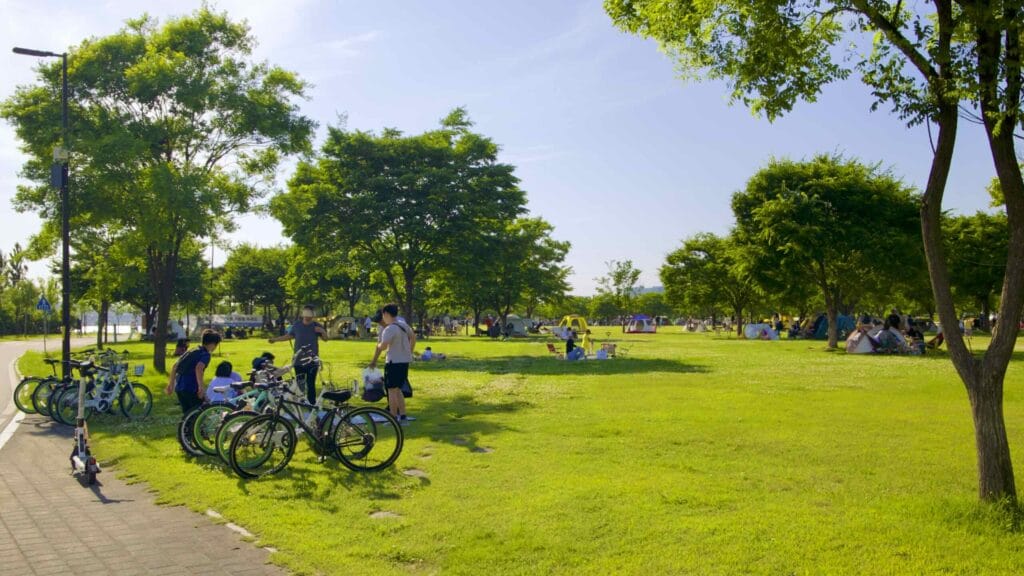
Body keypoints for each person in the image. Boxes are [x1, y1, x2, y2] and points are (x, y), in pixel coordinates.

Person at [268, 305, 327, 404]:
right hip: (298, 360)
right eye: (306, 313)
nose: (308, 316)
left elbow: (325, 339)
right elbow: (288, 336)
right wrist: (275, 340)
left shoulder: (317, 326)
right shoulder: (297, 325)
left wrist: (323, 331)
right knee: (300, 384)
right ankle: (301, 402)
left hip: (312, 360)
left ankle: (312, 404)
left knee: (311, 384)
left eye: (310, 314)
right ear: (303, 313)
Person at [369, 304, 416, 422]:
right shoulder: (404, 325)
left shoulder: (389, 329)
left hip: (393, 362)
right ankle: (403, 415)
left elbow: (383, 346)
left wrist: (378, 345)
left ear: (386, 314)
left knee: (391, 391)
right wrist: (409, 351)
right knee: (398, 389)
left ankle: (393, 417)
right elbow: (413, 337)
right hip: (404, 362)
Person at [165, 330, 221, 415]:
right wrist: (201, 387)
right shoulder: (205, 354)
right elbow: (199, 368)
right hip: (191, 387)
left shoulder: (192, 350)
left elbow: (175, 366)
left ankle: (186, 428)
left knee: (187, 415)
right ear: (212, 343)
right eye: (216, 344)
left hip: (179, 387)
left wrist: (171, 385)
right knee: (198, 414)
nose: (215, 347)